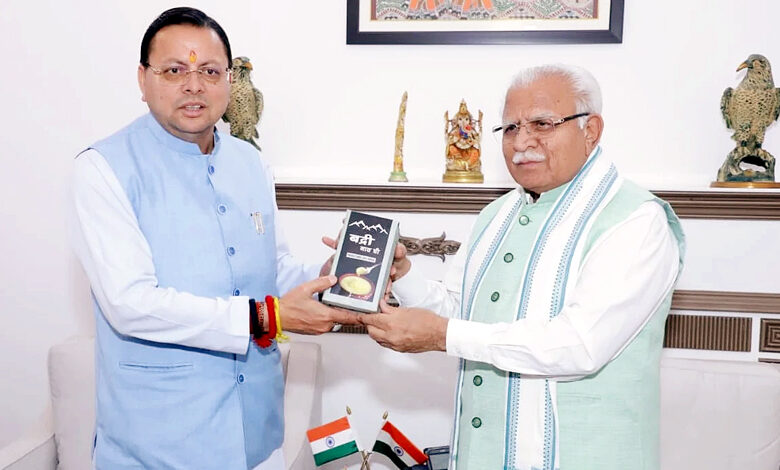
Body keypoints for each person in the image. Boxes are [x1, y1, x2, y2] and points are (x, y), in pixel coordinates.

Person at [71, 7, 358, 469]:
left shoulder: (251, 163)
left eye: (209, 71)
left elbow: (273, 271)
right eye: (174, 71)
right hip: (158, 447)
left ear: (230, 79)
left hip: (256, 438)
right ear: (143, 79)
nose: (194, 85)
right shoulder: (103, 169)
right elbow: (130, 304)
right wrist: (265, 318)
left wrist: (331, 277)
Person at [361, 64, 685, 470]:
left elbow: (579, 345)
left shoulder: (635, 219)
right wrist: (403, 276)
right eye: (510, 128)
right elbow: (462, 311)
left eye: (542, 124)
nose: (522, 142)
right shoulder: (496, 214)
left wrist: (444, 336)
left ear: (590, 130)